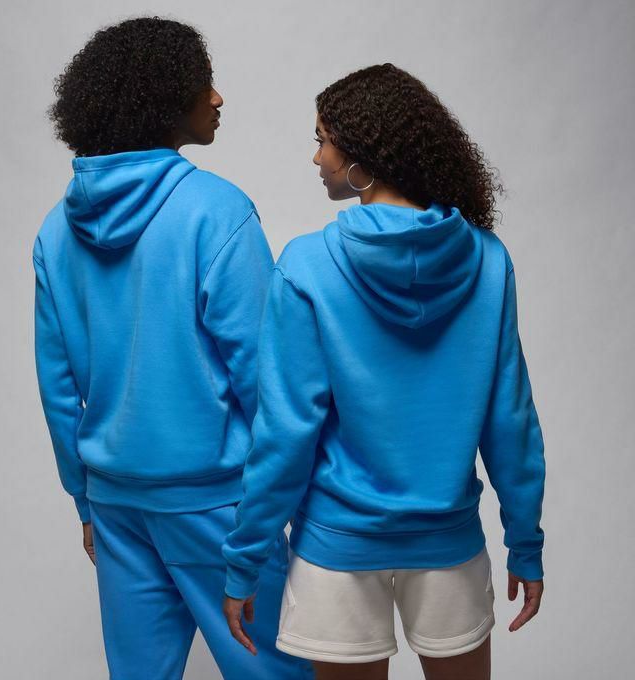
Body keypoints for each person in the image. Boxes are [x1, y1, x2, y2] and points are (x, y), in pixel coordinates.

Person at [222, 63, 546, 680]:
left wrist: (245, 559)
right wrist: (524, 542)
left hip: (336, 545)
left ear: (362, 157)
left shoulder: (306, 266)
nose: (316, 157)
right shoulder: (487, 260)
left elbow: (285, 433)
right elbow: (511, 420)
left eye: (322, 140)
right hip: (448, 543)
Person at [33, 16, 313, 680]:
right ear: (162, 99)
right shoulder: (217, 211)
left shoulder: (55, 231)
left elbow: (57, 386)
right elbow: (266, 377)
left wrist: (85, 501)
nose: (216, 97)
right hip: (217, 505)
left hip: (116, 506)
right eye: (202, 83)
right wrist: (290, 502)